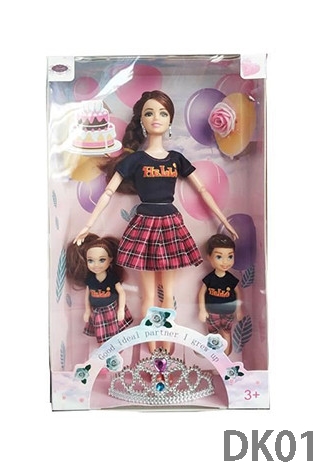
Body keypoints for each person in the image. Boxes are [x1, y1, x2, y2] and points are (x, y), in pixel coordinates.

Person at [73, 90, 237, 352]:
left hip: (170, 225)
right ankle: (152, 344)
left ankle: (167, 342)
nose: (156, 118)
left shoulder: (176, 159)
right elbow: (108, 192)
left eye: (163, 113)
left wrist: (224, 220)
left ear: (170, 120)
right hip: (144, 225)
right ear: (142, 120)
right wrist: (88, 225)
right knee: (148, 293)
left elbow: (203, 190)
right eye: (149, 113)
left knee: (168, 292)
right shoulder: (135, 160)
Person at [66, 233, 133, 344]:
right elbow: (87, 295)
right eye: (90, 261)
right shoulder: (90, 279)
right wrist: (87, 311)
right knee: (101, 335)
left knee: (115, 333)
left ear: (110, 259)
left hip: (111, 309)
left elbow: (121, 292)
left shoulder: (112, 277)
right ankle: (103, 352)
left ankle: (116, 349)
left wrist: (121, 309)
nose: (96, 265)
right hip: (97, 311)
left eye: (102, 260)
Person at [198, 234, 243, 355]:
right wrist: (202, 310)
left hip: (228, 312)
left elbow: (238, 293)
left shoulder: (231, 279)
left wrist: (239, 310)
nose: (225, 262)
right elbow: (201, 293)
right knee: (213, 335)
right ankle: (216, 357)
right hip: (212, 312)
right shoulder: (209, 278)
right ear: (209, 257)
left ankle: (226, 358)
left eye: (230, 256)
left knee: (226, 333)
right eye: (219, 257)